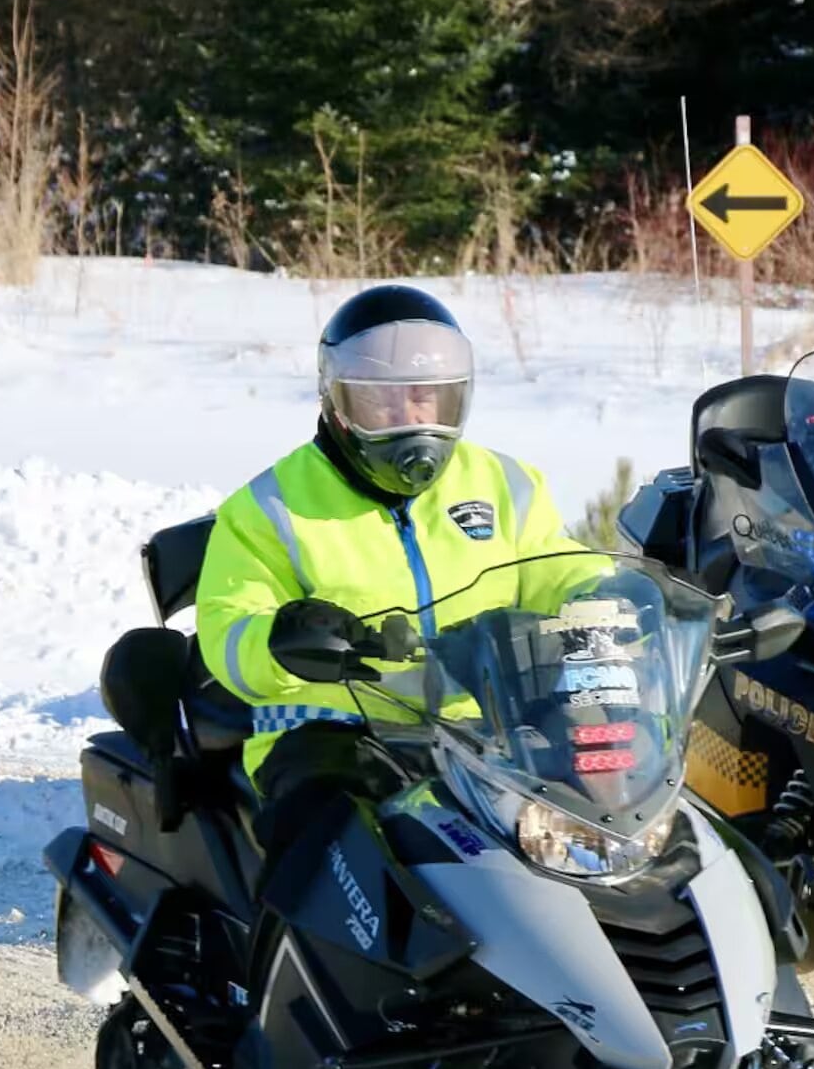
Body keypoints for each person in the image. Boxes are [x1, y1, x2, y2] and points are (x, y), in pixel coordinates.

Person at [197, 283, 582, 863]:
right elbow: (225, 632)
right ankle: (286, 952)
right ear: (339, 401)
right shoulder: (270, 508)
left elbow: (556, 565)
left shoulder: (506, 484)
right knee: (335, 855)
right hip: (330, 734)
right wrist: (278, 641)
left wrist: (608, 594)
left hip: (490, 734)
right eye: (386, 402)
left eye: (430, 399)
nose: (413, 420)